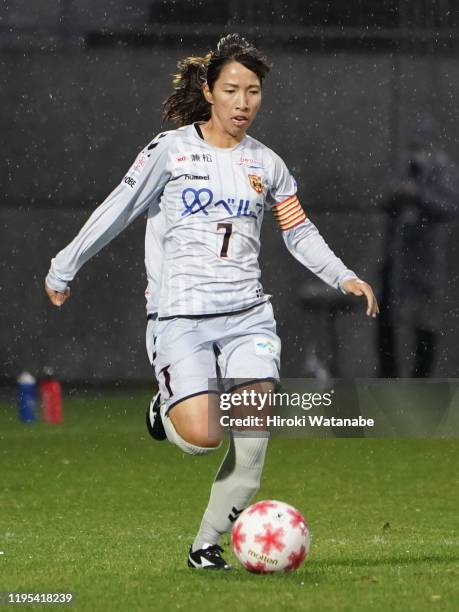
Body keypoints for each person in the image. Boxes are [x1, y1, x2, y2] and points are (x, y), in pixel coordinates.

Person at [45, 34, 379, 570]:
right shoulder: (170, 150)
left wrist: (344, 275)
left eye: (253, 91)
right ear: (208, 90)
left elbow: (297, 230)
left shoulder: (267, 164)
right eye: (232, 90)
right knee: (203, 437)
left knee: (252, 442)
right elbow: (119, 207)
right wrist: (66, 264)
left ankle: (206, 544)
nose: (244, 102)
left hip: (249, 317)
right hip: (181, 317)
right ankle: (167, 405)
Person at [378, 116, 458, 377]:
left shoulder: (442, 168)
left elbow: (450, 205)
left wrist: (419, 195)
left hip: (427, 256)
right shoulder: (402, 165)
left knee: (426, 322)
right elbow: (383, 198)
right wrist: (397, 195)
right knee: (386, 318)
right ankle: (388, 377)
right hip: (398, 254)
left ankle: (420, 381)